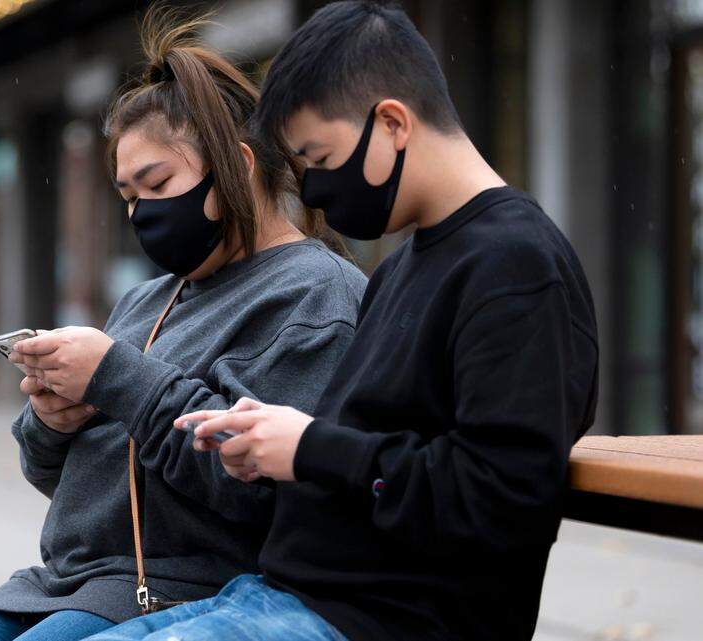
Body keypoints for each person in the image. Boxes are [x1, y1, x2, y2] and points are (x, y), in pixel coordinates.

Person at [84, 3, 600, 641]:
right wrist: (273, 441)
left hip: (388, 619)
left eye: (320, 157)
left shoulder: (515, 267)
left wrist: (309, 447)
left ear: (391, 123)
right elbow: (376, 451)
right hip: (283, 595)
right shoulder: (403, 267)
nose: (317, 192)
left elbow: (500, 498)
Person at [0, 9, 366, 641]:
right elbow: (65, 481)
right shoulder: (147, 299)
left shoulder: (315, 296)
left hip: (181, 591)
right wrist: (49, 421)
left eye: (156, 184)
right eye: (126, 197)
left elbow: (260, 493)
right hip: (62, 584)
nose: (140, 214)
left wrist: (119, 377)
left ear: (234, 166)